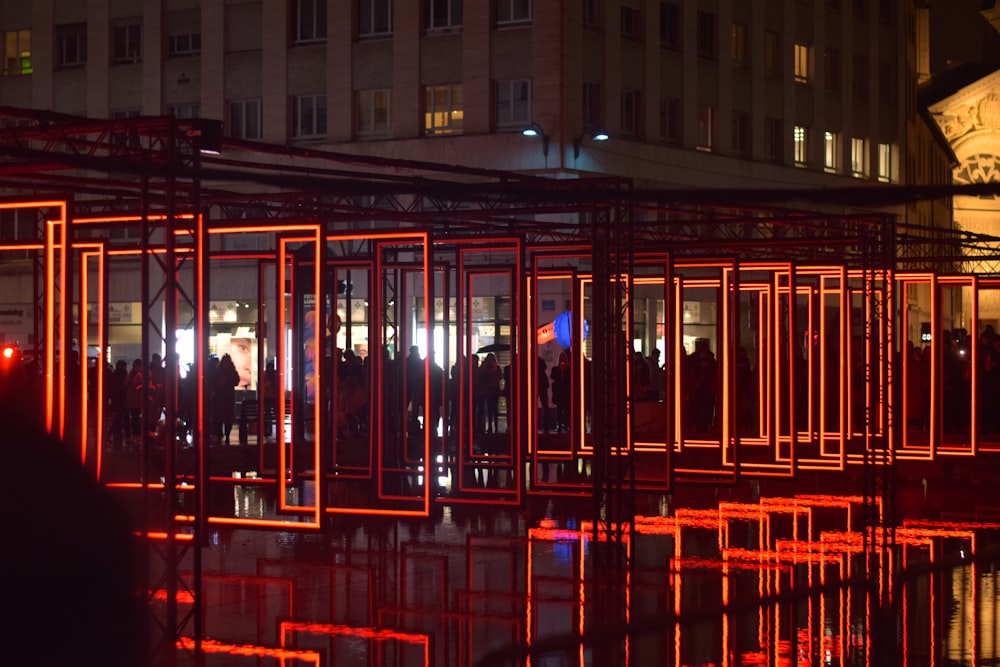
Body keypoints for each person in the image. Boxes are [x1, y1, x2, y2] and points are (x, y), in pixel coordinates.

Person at [213, 353, 241, 445]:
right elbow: (236, 381)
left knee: (221, 417)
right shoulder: (232, 372)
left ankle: (221, 434)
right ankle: (226, 435)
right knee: (226, 417)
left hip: (221, 397)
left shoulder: (218, 372)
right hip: (227, 397)